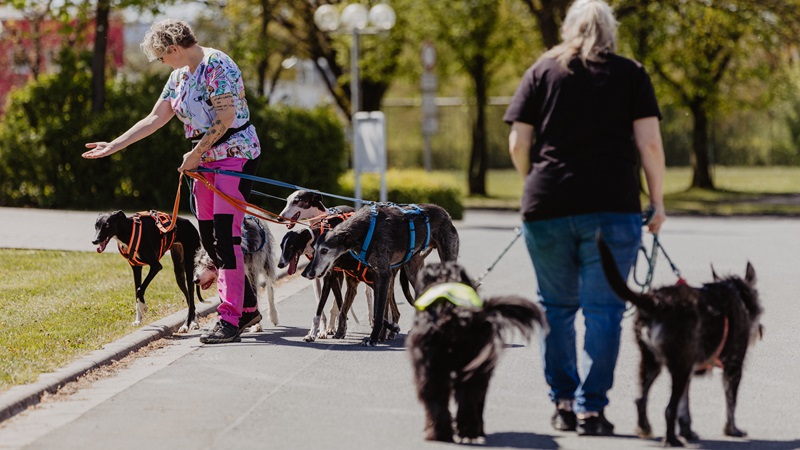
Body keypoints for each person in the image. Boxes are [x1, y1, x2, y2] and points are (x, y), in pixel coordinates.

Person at [503, 0, 666, 436]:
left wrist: (532, 181)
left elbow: (519, 142)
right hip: (612, 207)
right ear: (610, 31)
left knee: (555, 308)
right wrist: (659, 201)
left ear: (568, 29)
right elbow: (649, 144)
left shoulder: (542, 70)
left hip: (548, 205)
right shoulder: (631, 73)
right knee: (605, 311)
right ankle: (592, 409)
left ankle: (562, 403)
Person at [83, 19, 262, 344]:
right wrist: (114, 145)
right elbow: (154, 118)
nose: (160, 62)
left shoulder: (217, 64)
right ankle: (247, 305)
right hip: (202, 162)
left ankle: (230, 317)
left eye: (160, 57)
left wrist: (196, 153)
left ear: (174, 49)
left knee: (226, 236)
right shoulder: (178, 76)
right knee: (208, 238)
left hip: (235, 154)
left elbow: (226, 117)